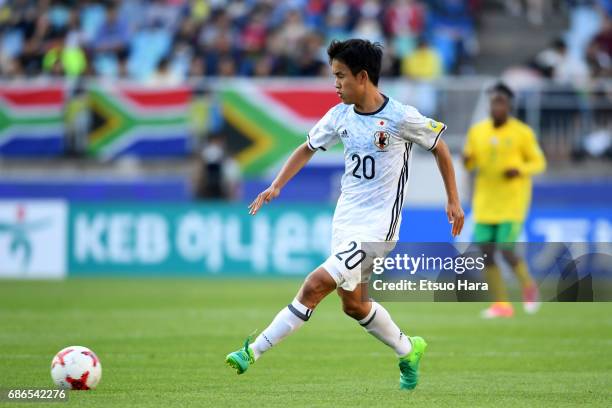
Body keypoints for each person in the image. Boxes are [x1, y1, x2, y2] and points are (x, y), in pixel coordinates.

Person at [225, 39, 464, 390]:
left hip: (377, 229)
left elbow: (441, 148)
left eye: (340, 76)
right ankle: (408, 348)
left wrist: (453, 200)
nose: (334, 84)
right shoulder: (340, 116)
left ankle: (253, 351)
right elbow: (306, 148)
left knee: (314, 285)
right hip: (346, 221)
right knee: (353, 305)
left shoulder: (400, 117)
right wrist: (276, 186)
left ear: (362, 76)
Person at [463, 82, 546, 319]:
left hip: (512, 202)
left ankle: (529, 287)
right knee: (486, 252)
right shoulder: (478, 131)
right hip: (485, 201)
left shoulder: (522, 132)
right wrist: (467, 159)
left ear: (509, 106)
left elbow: (539, 163)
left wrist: (519, 169)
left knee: (506, 249)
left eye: (501, 103)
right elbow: (470, 162)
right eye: (493, 103)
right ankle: (501, 304)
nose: (496, 107)